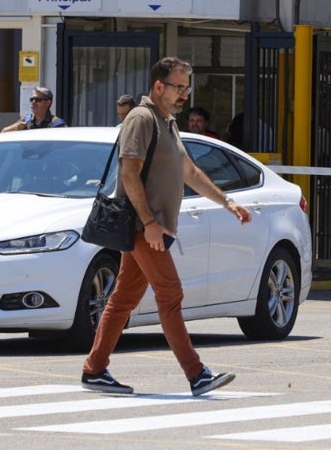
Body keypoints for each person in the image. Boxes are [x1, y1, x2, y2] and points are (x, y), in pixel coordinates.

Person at [82, 57, 252, 397]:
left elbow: (189, 170)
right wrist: (149, 223)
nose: (184, 94)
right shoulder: (142, 118)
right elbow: (129, 172)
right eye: (178, 87)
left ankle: (94, 369)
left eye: (187, 88)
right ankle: (196, 373)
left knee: (123, 298)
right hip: (144, 227)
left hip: (153, 228)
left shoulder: (168, 122)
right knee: (170, 294)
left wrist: (226, 201)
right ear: (158, 85)